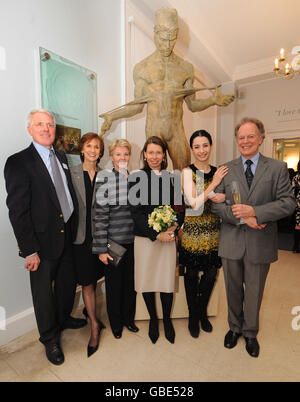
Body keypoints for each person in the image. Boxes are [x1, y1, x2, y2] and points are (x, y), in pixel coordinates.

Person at [100, 7, 234, 171]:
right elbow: (136, 106)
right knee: (154, 176)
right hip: (154, 130)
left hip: (176, 131)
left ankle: (189, 197)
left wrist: (213, 100)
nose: (167, 45)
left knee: (184, 173)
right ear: (155, 33)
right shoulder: (143, 68)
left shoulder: (185, 68)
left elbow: (192, 105)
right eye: (163, 39)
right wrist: (111, 116)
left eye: (172, 40)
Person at [4, 109, 87, 366]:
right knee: (43, 294)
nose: (46, 128)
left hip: (66, 237)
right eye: (40, 124)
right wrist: (29, 250)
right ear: (30, 129)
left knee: (65, 286)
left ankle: (63, 319)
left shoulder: (62, 157)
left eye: (50, 124)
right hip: (40, 243)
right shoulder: (18, 162)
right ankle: (49, 338)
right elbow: (18, 211)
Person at [211, 117, 296, 358]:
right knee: (233, 289)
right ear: (236, 141)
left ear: (261, 138)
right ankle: (234, 328)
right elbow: (217, 206)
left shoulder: (277, 168)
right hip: (232, 241)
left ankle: (250, 333)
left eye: (251, 136)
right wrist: (242, 217)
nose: (245, 141)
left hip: (261, 241)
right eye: (241, 137)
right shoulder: (226, 169)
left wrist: (256, 212)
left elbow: (288, 203)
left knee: (255, 290)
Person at [130, 136, 185, 344]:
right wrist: (155, 233)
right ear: (144, 154)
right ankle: (153, 319)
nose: (154, 156)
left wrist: (173, 227)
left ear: (164, 155)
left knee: (166, 281)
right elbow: (134, 213)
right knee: (148, 280)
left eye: (158, 152)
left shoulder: (172, 178)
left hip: (169, 238)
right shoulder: (137, 178)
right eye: (150, 152)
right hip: (145, 239)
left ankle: (167, 320)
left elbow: (179, 208)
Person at [179, 130, 228, 338]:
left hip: (214, 233)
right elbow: (193, 202)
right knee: (191, 276)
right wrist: (214, 185)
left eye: (205, 145)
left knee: (210, 276)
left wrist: (224, 196)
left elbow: (230, 198)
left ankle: (202, 313)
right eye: (197, 146)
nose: (201, 150)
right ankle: (193, 316)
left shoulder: (219, 171)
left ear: (211, 146)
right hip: (192, 233)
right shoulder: (187, 172)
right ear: (192, 149)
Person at [92, 139, 138, 339]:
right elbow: (99, 215)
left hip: (134, 241)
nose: (122, 158)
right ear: (111, 156)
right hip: (114, 243)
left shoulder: (134, 178)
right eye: (118, 154)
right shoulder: (104, 178)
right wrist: (102, 248)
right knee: (114, 286)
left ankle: (129, 319)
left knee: (130, 284)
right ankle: (117, 323)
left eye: (125, 154)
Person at [70, 133, 106, 357]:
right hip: (80, 239)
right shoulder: (71, 174)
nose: (93, 150)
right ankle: (94, 325)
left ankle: (91, 315)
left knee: (97, 278)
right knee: (87, 283)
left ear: (101, 152)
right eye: (89, 146)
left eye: (97, 147)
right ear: (82, 149)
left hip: (101, 238)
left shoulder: (106, 175)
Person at [292, 160, 300, 253]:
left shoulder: (296, 177)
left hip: (298, 203)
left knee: (298, 225)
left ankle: (296, 246)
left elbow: (293, 191)